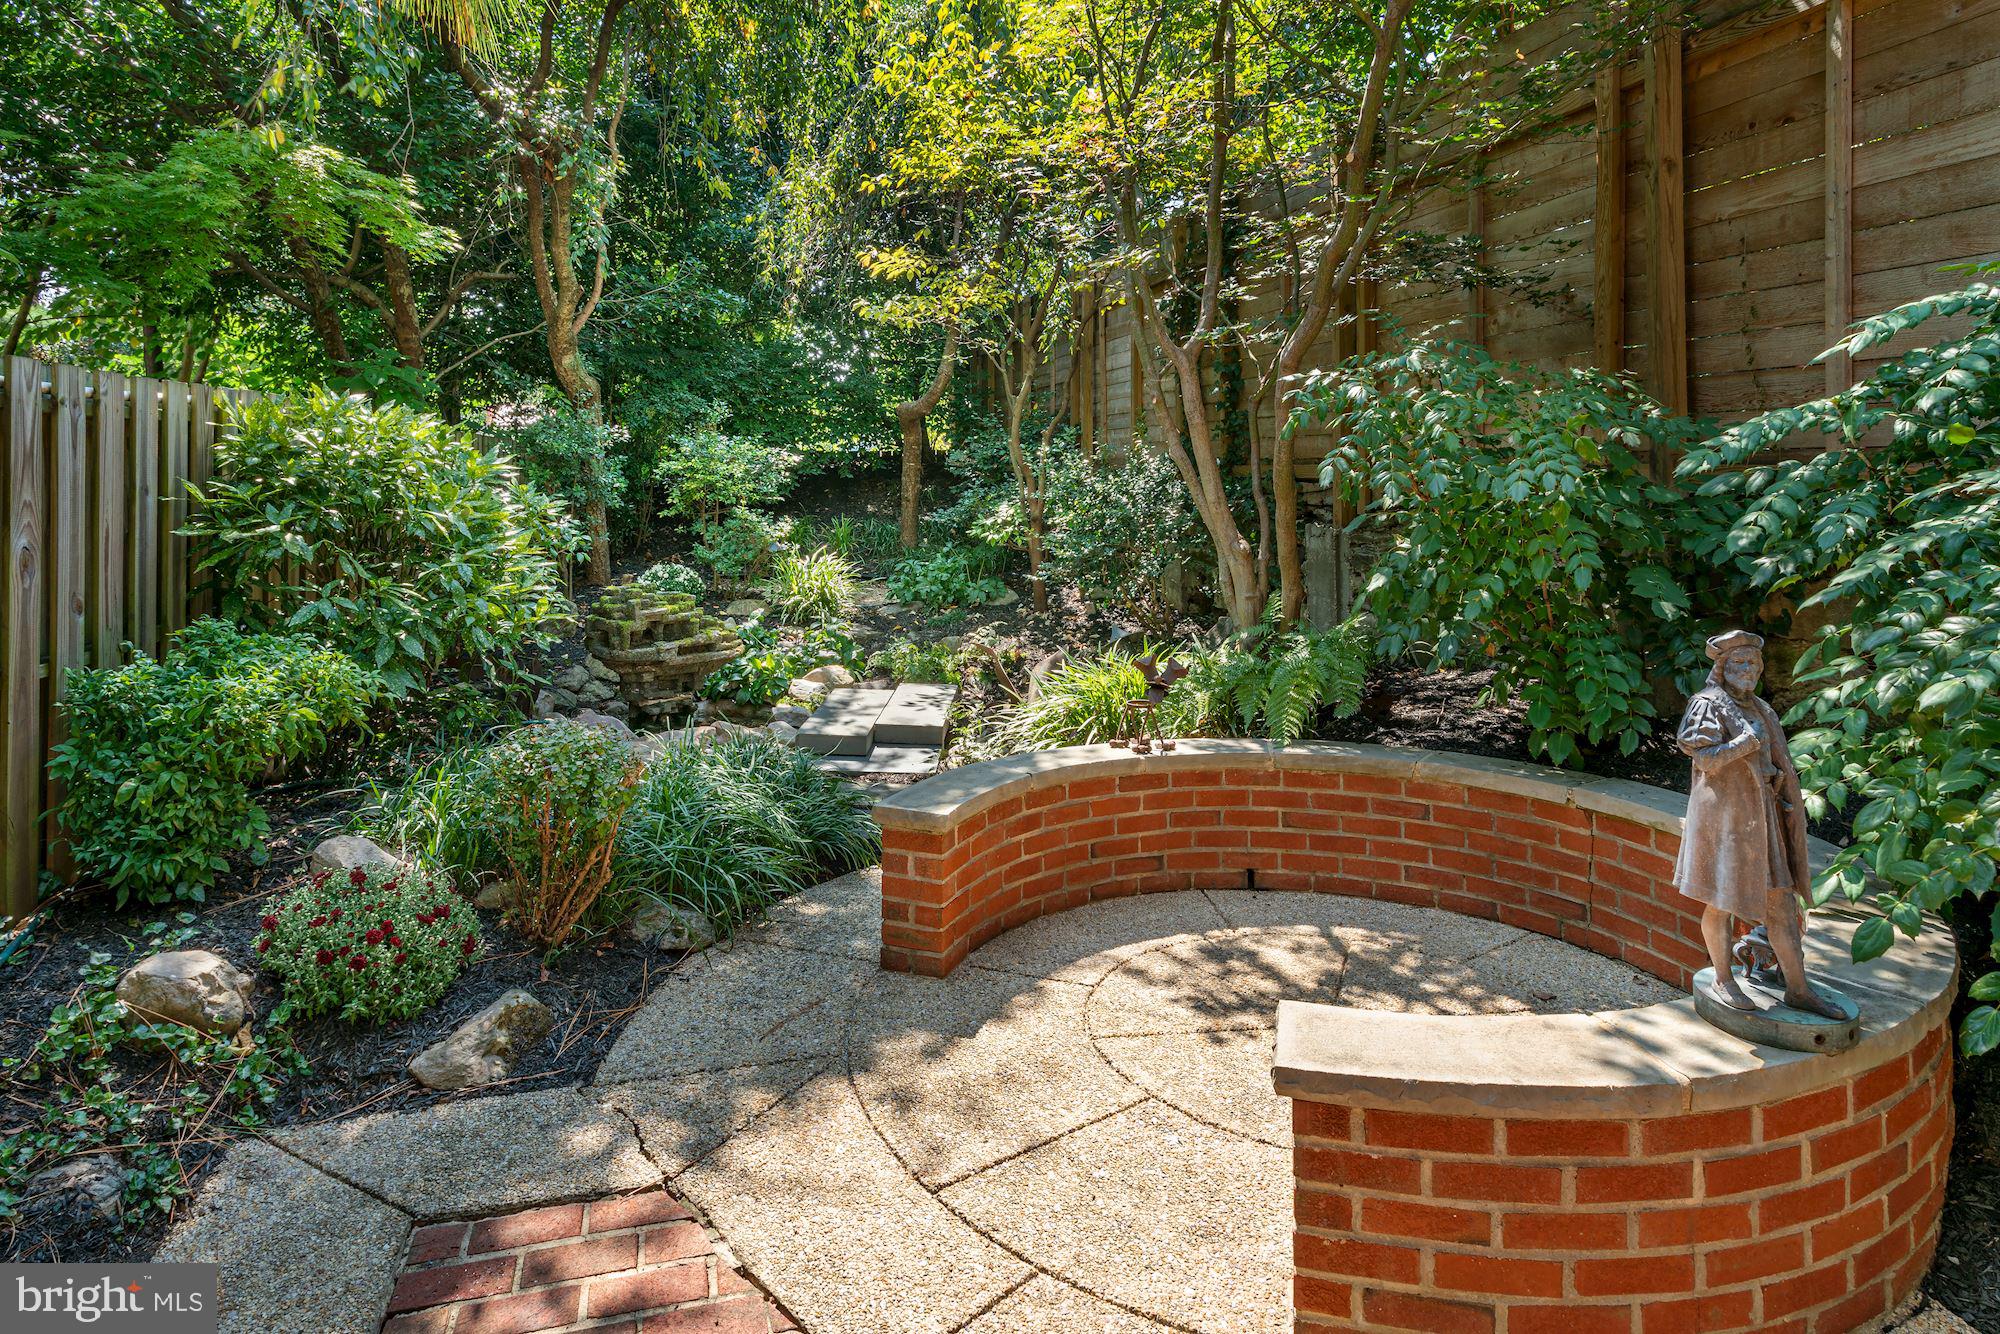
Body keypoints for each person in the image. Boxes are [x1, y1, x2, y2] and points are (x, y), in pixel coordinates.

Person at [1673, 629, 1846, 1019]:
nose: (1748, 670)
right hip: (1727, 818)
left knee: (1782, 902)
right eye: (1739, 663)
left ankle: (1799, 989)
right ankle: (1723, 978)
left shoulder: (1762, 708)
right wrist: (1743, 744)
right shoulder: (1706, 703)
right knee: (1721, 898)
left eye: (1753, 663)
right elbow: (1705, 759)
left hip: (1765, 814)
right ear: (1723, 667)